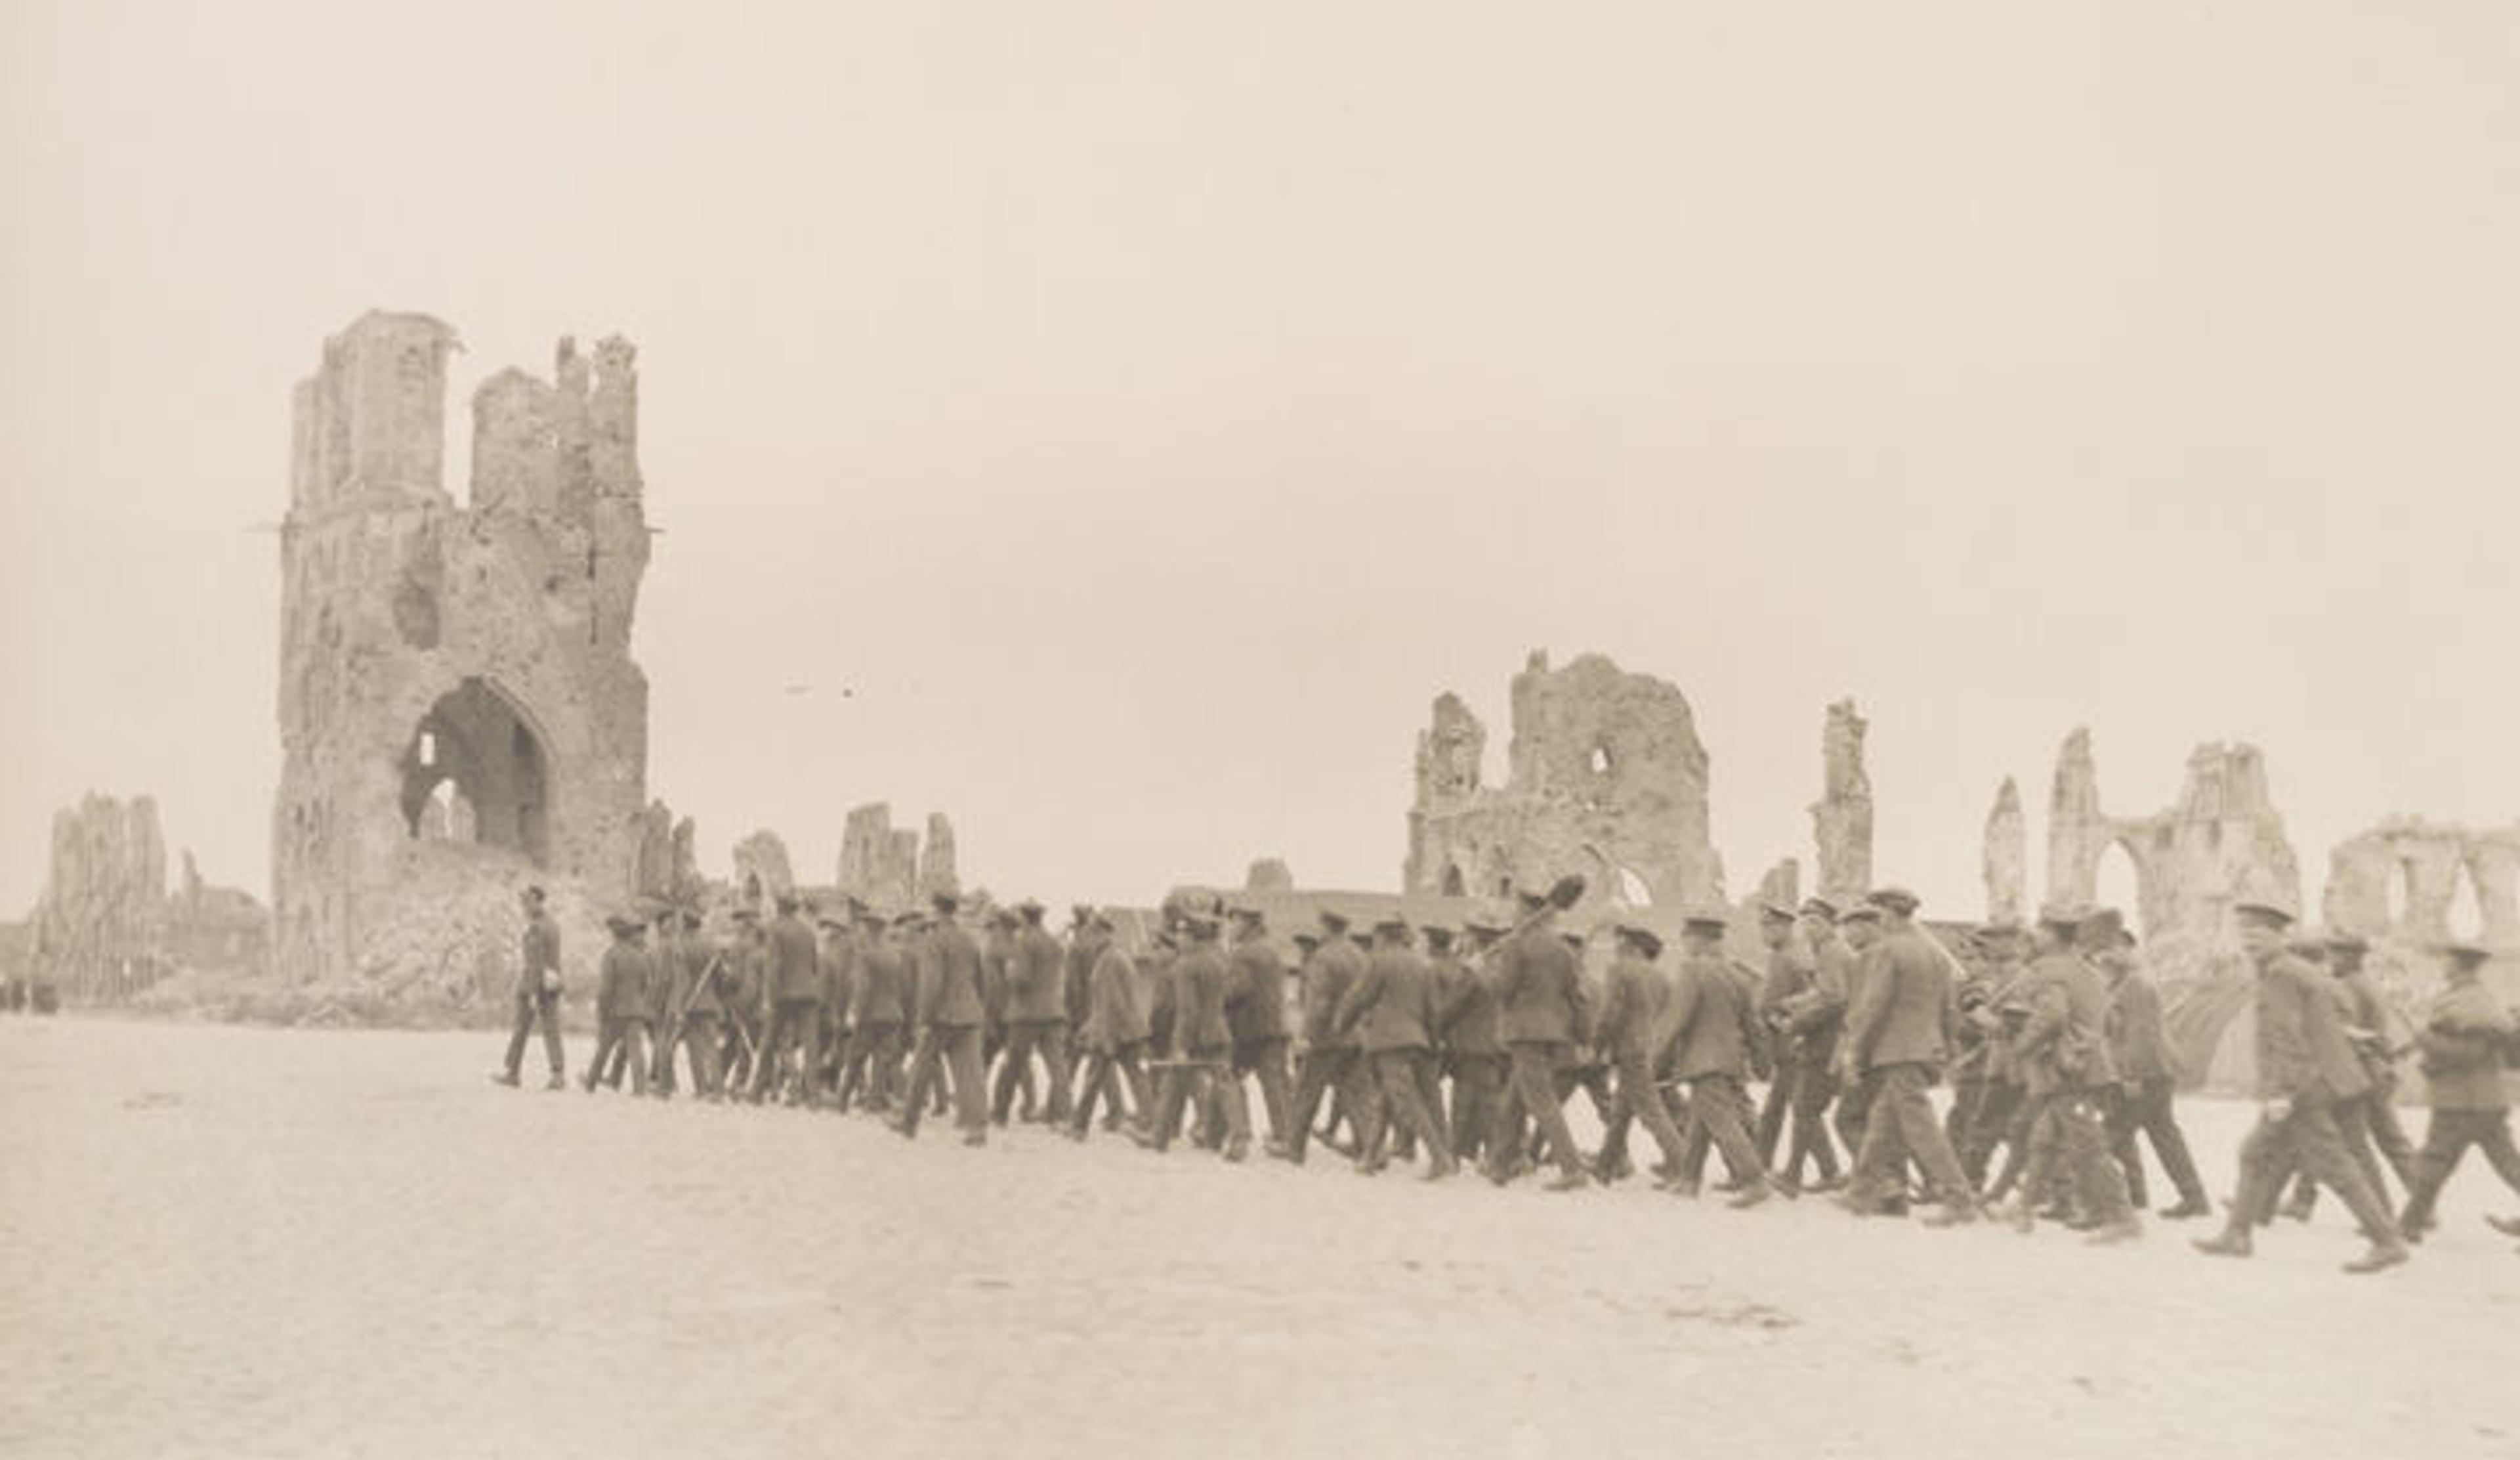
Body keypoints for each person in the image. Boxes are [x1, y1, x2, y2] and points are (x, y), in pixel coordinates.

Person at [2191, 902, 2409, 1274]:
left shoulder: (2280, 974)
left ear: (2280, 936)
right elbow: (2324, 1022)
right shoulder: (2299, 970)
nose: (2250, 941)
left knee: (2333, 1164)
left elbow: (2287, 1037)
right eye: (2245, 933)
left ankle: (2386, 1241)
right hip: (2326, 1080)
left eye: (2259, 934)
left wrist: (2281, 1093)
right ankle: (2238, 1233)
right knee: (2255, 1153)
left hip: (2305, 1086)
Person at [1997, 907, 2140, 1243]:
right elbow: (2110, 1021)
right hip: (2086, 1064)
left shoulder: (2049, 970)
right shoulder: (2088, 970)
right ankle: (2027, 1208)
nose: (2034, 934)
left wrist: (2020, 1047)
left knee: (2087, 1143)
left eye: (2040, 929)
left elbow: (2052, 1015)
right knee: (2044, 1140)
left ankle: (2122, 1217)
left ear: (2051, 935)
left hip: (2068, 1070)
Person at [1836, 888, 1977, 1226]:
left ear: (1888, 914)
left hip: (1897, 1050)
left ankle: (1958, 1198)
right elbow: (1948, 1009)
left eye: (1878, 912)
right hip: (1924, 1050)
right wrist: (1946, 1048)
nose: (1877, 919)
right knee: (1882, 1124)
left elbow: (1873, 1006)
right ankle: (1861, 1191)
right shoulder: (1934, 954)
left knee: (1923, 1129)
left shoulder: (1887, 950)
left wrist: (1854, 1050)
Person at [2395, 941, 2520, 1239]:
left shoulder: (2471, 1003)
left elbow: (2468, 1054)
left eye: (2447, 960)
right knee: (2504, 1164)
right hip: (2479, 1100)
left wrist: (2421, 1035)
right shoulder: (2468, 999)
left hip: (2465, 1101)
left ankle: (2408, 1226)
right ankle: (2410, 1225)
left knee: (2434, 1164)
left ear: (2460, 965)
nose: (2443, 965)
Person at [1332, 917, 1458, 1178]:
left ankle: (1439, 1157)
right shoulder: (1422, 965)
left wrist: (1340, 1026)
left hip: (1389, 1041)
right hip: (1419, 1041)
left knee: (1407, 1101)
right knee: (1387, 1100)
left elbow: (1359, 997)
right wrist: (1433, 1043)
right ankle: (1370, 1157)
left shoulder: (1379, 961)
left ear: (1382, 937)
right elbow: (1433, 1011)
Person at [2100, 918, 2208, 1218]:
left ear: (2128, 949)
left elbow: (2141, 1034)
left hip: (2145, 1074)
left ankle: (2091, 1199)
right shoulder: (2122, 983)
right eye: (2103, 951)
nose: (2106, 957)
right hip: (2153, 1073)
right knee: (2163, 1134)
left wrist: (2131, 1074)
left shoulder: (2135, 984)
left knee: (2108, 1136)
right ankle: (2193, 1198)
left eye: (2113, 950)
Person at [1490, 888, 1593, 1191]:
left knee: (1542, 1102)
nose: (1513, 915)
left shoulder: (1516, 945)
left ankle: (1572, 1168)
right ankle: (1501, 1164)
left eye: (1516, 910)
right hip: (1553, 1034)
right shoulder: (1563, 950)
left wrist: (1483, 971)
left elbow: (1504, 990)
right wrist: (1584, 1038)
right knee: (1514, 1099)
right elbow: (1578, 999)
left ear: (1524, 914)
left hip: (1525, 1032)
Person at [1139, 912, 1251, 1160]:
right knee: (1225, 1084)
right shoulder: (1219, 960)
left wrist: (1181, 1045)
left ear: (1192, 936)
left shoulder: (1186, 966)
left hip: (1197, 1036)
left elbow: (1187, 1010)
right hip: (1220, 1031)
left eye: (1182, 933)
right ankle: (1239, 1137)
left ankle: (1159, 1136)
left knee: (1174, 1081)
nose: (1179, 938)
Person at [1592, 923, 1689, 1189]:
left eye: (1619, 942)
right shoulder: (1660, 976)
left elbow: (1610, 1014)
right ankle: (1605, 1166)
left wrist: (1597, 1046)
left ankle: (1682, 1165)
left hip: (1630, 1049)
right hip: (1652, 1050)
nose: (1616, 947)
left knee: (1652, 1111)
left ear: (1630, 946)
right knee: (1622, 1111)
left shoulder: (1619, 970)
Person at [895, 894, 990, 1145]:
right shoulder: (968, 940)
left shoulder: (934, 941)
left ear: (935, 911)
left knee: (921, 1067)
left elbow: (931, 983)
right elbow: (980, 981)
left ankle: (908, 1123)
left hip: (941, 1015)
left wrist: (924, 1018)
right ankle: (977, 1129)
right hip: (969, 1014)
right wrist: (977, 1008)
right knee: (970, 1074)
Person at [1280, 909, 1370, 1164]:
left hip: (1328, 1036)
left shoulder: (1322, 958)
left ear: (1325, 928)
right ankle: (1369, 1148)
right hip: (1355, 1035)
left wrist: (1308, 1035)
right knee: (1356, 1095)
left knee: (1307, 1091)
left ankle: (1294, 1147)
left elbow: (1319, 1002)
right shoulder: (1359, 955)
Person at [1069, 910, 1154, 1141]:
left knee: (1095, 1077)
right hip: (1127, 1029)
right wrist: (1088, 1027)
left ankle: (1078, 1127)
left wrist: (1105, 1038)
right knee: (1135, 1077)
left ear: (1102, 934)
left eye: (1091, 934)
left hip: (1116, 1031)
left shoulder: (1108, 961)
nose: (1088, 939)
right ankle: (1150, 1123)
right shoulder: (1118, 956)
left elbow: (1111, 1002)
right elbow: (1106, 1002)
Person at [994, 901, 1072, 1126]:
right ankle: (1065, 1115)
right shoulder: (1054, 943)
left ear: (1025, 918)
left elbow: (1021, 979)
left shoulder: (1024, 942)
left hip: (1026, 1014)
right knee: (1058, 1068)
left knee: (1013, 1065)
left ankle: (1000, 1113)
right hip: (1054, 1012)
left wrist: (1009, 970)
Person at [1225, 905, 1295, 1147]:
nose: (1231, 927)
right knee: (1275, 1085)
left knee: (1229, 1077)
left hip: (1249, 1029)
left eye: (1235, 922)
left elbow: (1237, 990)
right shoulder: (1272, 951)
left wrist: (1217, 998)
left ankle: (1237, 1133)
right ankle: (1285, 1136)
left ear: (1249, 926)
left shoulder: (1243, 954)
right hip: (1274, 1027)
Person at [749, 893, 824, 1105]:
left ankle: (757, 1091)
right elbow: (815, 966)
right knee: (811, 1046)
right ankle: (814, 1096)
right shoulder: (808, 932)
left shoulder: (775, 929)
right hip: (809, 993)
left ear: (779, 908)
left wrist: (767, 998)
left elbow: (773, 966)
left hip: (784, 994)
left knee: (769, 1042)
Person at [494, 885, 566, 1089]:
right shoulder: (552, 924)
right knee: (551, 1030)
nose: (524, 906)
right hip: (551, 984)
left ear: (537, 901)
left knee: (521, 1029)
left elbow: (536, 962)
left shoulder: (537, 927)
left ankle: (513, 1073)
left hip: (534, 986)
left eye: (527, 902)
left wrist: (533, 993)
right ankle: (557, 1074)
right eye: (523, 902)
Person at [838, 906, 909, 1113]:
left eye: (863, 928)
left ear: (868, 930)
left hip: (870, 1015)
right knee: (883, 1059)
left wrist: (854, 1012)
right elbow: (903, 986)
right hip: (892, 1014)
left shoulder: (865, 955)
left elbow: (863, 986)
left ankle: (843, 1101)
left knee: (855, 1058)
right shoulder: (894, 955)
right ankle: (876, 1101)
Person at [583, 914, 653, 1096]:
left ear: (614, 936)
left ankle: (591, 1082)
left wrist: (603, 1010)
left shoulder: (611, 955)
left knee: (604, 1049)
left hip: (616, 1010)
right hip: (637, 1009)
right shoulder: (640, 956)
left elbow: (606, 988)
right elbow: (646, 984)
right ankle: (640, 1088)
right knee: (636, 1050)